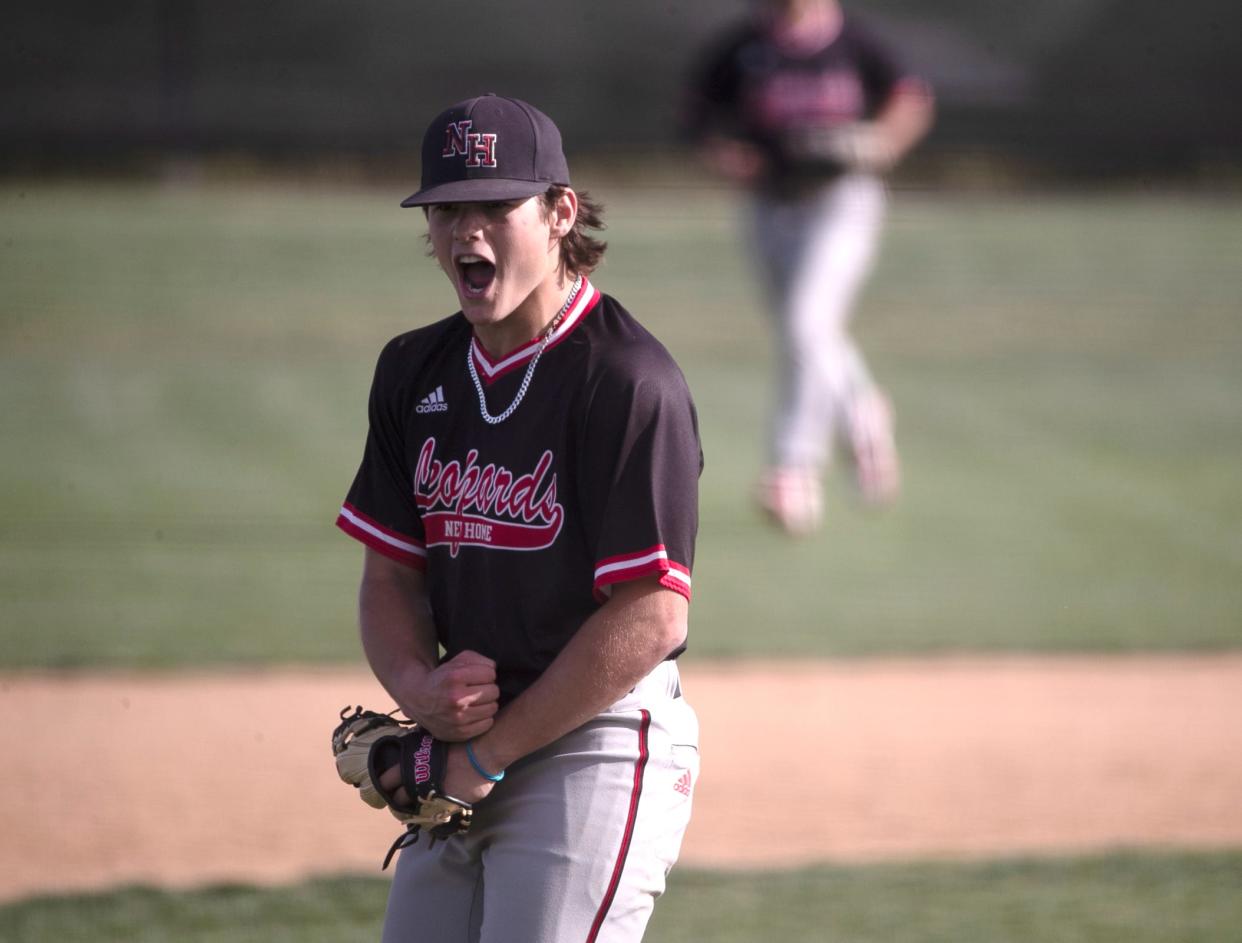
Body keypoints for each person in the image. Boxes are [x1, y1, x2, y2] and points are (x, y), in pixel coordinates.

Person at [334, 93, 703, 943]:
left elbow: (653, 613)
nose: (468, 231)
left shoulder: (626, 380)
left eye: (496, 205)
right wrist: (419, 690)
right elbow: (389, 575)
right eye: (447, 209)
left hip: (595, 741)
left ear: (560, 211)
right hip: (468, 752)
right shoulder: (411, 371)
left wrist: (480, 758)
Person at [685, 0, 934, 535]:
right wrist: (730, 157)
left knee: (806, 323)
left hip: (842, 202)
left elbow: (911, 99)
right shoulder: (745, 46)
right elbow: (697, 116)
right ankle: (862, 413)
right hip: (771, 205)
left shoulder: (855, 40)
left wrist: (882, 141)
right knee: (809, 332)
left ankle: (793, 468)